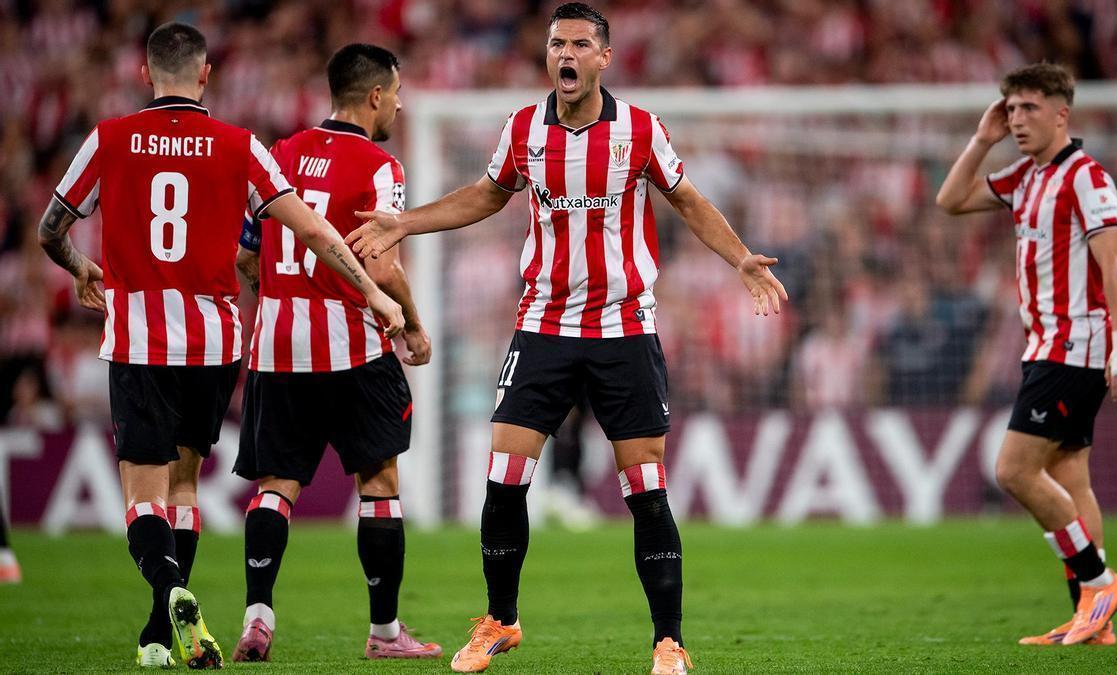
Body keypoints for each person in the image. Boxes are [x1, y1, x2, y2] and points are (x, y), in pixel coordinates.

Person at [348, 4, 788, 673]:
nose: (567, 54)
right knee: (503, 478)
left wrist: (741, 258)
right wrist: (405, 224)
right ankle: (501, 619)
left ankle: (668, 640)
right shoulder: (524, 128)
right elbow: (485, 195)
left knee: (645, 489)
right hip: (544, 328)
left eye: (581, 44)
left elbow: (689, 200)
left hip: (624, 329)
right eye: (557, 44)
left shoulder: (639, 130)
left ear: (604, 57)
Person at [37, 22, 402, 669]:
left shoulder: (110, 140)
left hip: (141, 338)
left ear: (146, 74)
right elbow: (313, 231)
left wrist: (77, 266)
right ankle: (159, 631)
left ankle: (171, 592)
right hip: (213, 344)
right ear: (205, 75)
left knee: (146, 495)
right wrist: (374, 295)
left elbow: (51, 226)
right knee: (183, 488)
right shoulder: (241, 145)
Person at [230, 43, 438, 663]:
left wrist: (288, 298)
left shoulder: (277, 154)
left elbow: (247, 258)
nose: (399, 103)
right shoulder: (381, 166)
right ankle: (384, 634)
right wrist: (414, 326)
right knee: (378, 483)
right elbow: (382, 263)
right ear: (376, 95)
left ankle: (258, 616)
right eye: (397, 92)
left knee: (277, 486)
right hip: (352, 349)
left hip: (274, 348)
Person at [936, 62, 1117, 646]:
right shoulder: (1025, 175)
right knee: (1070, 474)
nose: (1017, 119)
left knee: (1014, 470)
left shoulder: (1087, 177)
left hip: (1074, 346)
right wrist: (982, 139)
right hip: (1043, 345)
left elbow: (1115, 263)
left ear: (1061, 113)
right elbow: (950, 201)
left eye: (1028, 108)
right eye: (1010, 108)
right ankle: (1091, 619)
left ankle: (1099, 585)